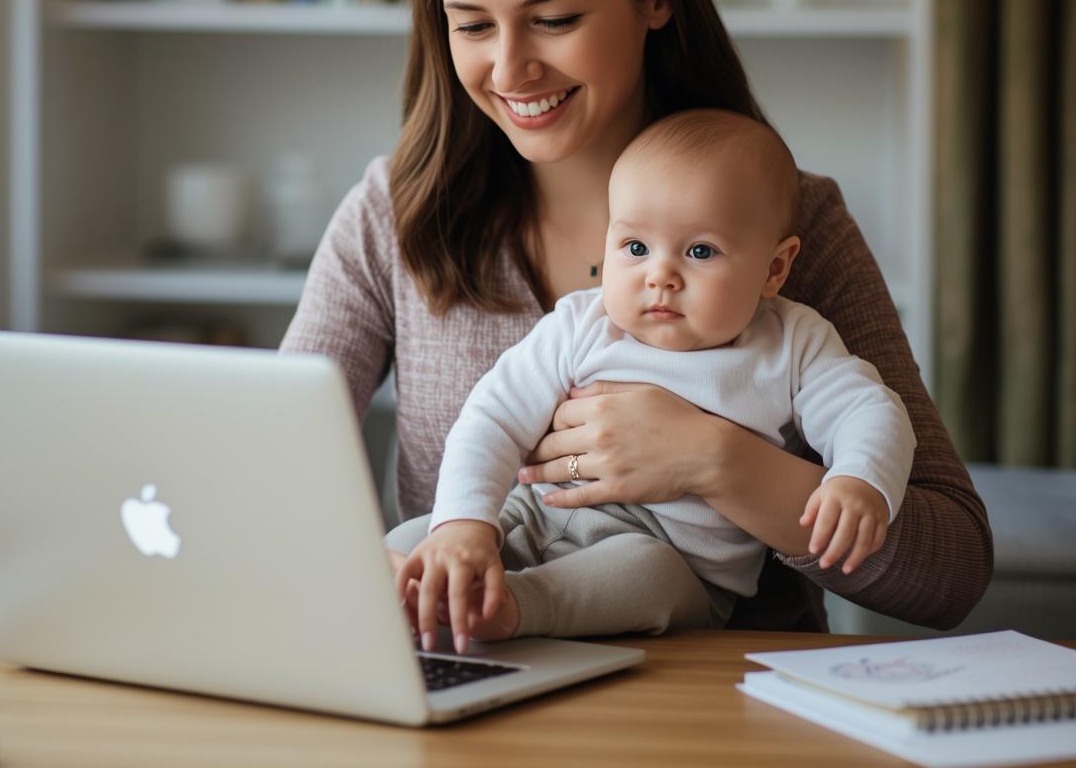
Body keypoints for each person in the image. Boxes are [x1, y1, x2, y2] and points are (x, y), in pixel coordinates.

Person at [280, 0, 991, 634]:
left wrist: (716, 461)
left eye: (554, 19)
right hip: (472, 700)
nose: (511, 67)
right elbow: (268, 464)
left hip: (719, 714)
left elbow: (951, 572)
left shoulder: (791, 223)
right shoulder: (395, 214)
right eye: (471, 25)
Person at [385, 109, 916, 653]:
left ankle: (512, 608)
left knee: (643, 574)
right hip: (533, 516)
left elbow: (870, 411)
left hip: (674, 563)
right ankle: (409, 596)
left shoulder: (791, 343)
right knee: (415, 540)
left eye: (700, 251)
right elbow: (491, 418)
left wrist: (859, 478)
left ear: (774, 269)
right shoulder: (580, 325)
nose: (660, 274)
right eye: (636, 248)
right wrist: (463, 527)